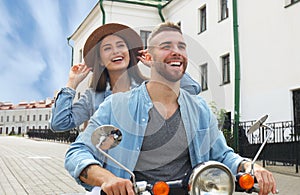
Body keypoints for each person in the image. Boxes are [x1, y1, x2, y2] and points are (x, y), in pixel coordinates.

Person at [65, 22, 277, 195]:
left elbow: (222, 156)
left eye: (181, 47)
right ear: (148, 57)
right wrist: (108, 179)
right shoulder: (116, 105)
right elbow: (77, 152)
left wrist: (250, 167)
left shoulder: (200, 108)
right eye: (166, 46)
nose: (176, 52)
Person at [50, 23, 201, 132]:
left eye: (121, 45)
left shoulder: (149, 87)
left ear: (129, 53)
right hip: (105, 168)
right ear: (101, 60)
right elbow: (59, 124)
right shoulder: (93, 96)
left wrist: (158, 66)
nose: (116, 51)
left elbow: (191, 90)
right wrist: (72, 83)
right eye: (107, 48)